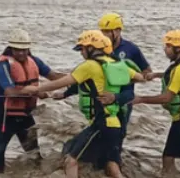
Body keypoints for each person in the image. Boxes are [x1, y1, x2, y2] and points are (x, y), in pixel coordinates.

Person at [20, 30, 145, 178]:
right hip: (116, 124)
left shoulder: (90, 66)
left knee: (71, 160)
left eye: (82, 49)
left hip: (101, 124)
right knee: (112, 165)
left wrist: (34, 90)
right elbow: (140, 77)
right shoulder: (116, 65)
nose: (81, 53)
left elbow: (64, 81)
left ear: (91, 48)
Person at [57, 12, 152, 143]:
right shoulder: (98, 47)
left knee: (117, 138)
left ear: (118, 31)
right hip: (100, 102)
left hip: (123, 99)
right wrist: (66, 93)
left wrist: (127, 77)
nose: (103, 34)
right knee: (98, 136)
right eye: (102, 31)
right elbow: (87, 77)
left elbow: (146, 72)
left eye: (107, 31)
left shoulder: (131, 49)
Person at [0, 28, 67, 173]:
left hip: (25, 116)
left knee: (34, 154)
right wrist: (37, 91)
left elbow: (53, 76)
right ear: (11, 48)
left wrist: (77, 79)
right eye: (17, 50)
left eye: (24, 50)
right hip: (4, 117)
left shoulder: (34, 60)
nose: (21, 53)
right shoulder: (3, 64)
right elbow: (10, 92)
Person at [132, 29, 180, 176]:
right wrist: (156, 75)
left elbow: (167, 98)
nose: (165, 49)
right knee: (168, 158)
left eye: (168, 46)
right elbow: (172, 76)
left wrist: (141, 99)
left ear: (178, 48)